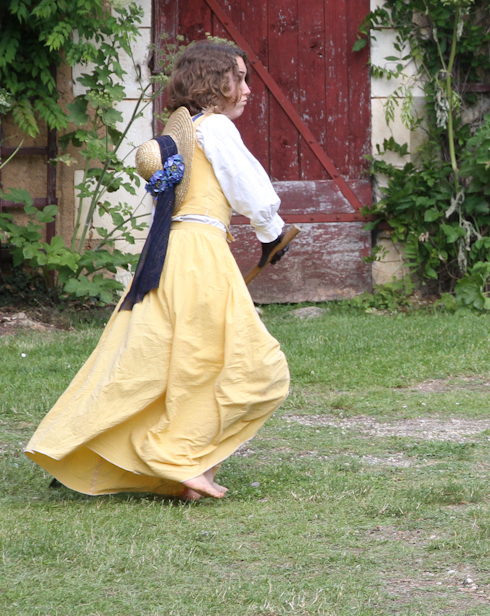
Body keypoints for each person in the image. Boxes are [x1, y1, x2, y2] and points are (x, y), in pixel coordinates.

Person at [25, 39, 293, 501]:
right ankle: (179, 458)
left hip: (167, 253)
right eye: (240, 78)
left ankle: (188, 468)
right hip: (199, 256)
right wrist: (272, 231)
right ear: (215, 82)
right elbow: (251, 189)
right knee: (254, 366)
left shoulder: (189, 136)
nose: (248, 88)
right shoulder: (216, 128)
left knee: (163, 361)